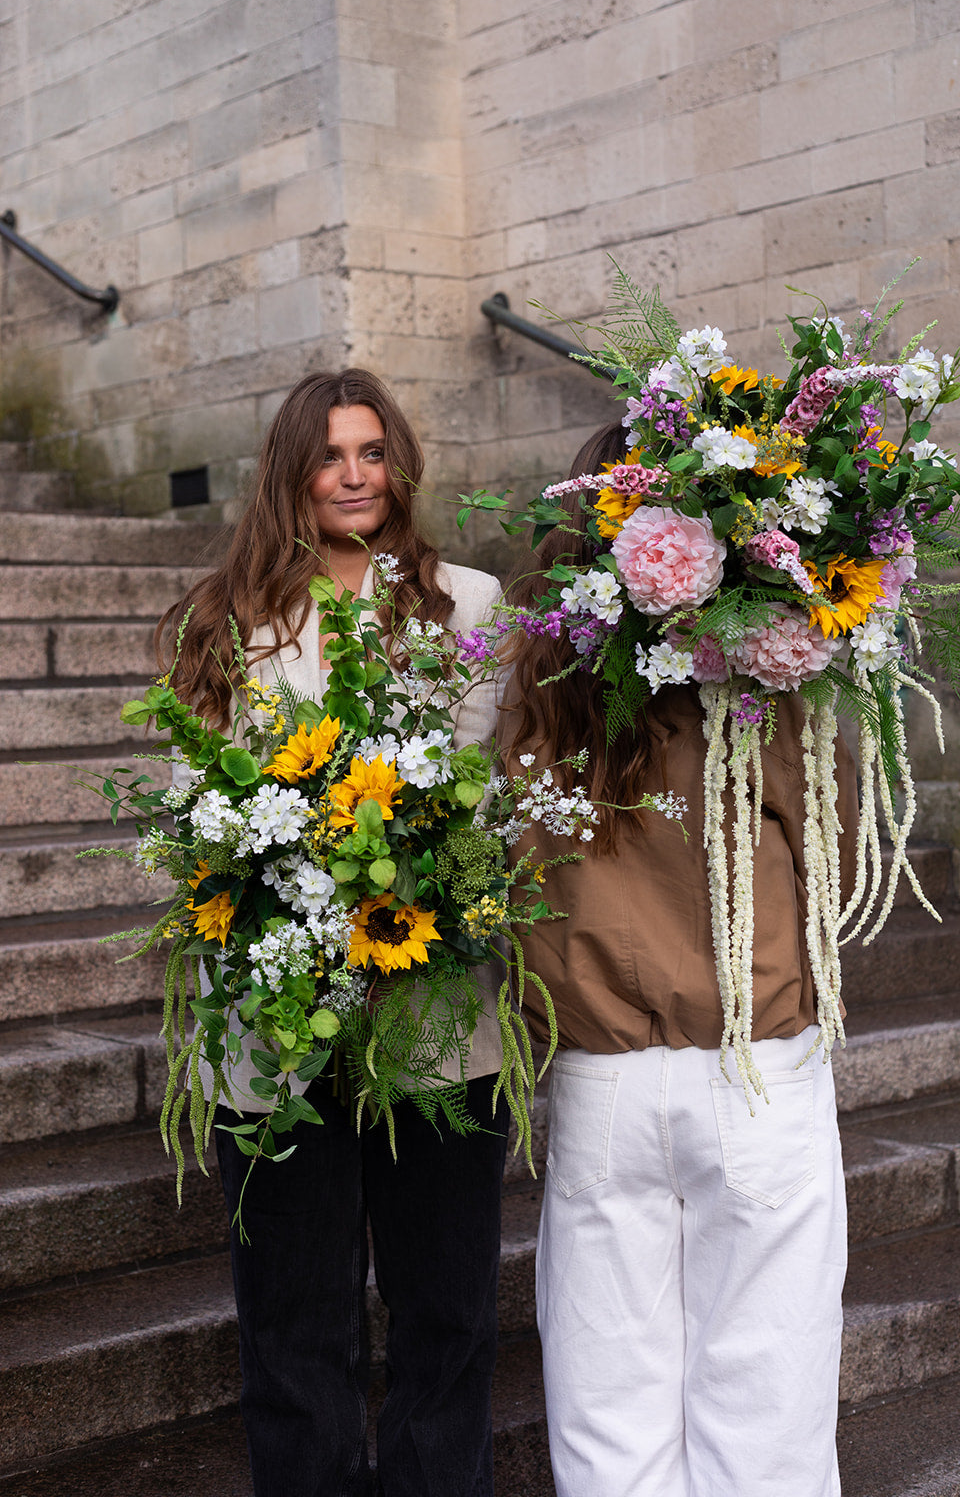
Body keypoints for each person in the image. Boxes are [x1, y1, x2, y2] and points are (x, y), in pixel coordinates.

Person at [157, 368, 509, 1497]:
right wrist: (276, 853)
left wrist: (415, 843)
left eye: (371, 452)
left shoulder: (470, 600)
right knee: (295, 1322)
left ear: (398, 463)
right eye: (328, 456)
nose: (353, 476)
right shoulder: (230, 613)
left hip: (432, 1013)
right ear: (291, 475)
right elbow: (190, 795)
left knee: (445, 1309)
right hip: (277, 1026)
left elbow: (484, 789)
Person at [499, 422, 858, 1497]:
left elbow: (515, 871)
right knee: (769, 1393)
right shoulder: (763, 680)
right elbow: (821, 850)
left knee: (609, 1401)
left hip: (604, 1068)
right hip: (753, 1055)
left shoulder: (543, 684)